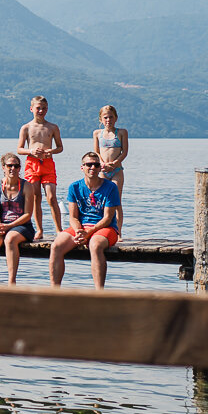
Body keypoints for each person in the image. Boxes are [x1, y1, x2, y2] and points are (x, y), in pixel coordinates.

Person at [49, 152, 121, 289]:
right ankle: (54, 291)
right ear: (82, 167)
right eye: (89, 164)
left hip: (105, 228)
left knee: (95, 245)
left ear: (100, 168)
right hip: (81, 227)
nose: (92, 167)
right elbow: (73, 217)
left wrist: (89, 233)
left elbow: (108, 218)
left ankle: (98, 292)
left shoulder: (110, 187)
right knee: (56, 246)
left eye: (96, 164)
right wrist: (78, 231)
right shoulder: (74, 187)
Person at [0, 152, 35, 284]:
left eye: (16, 166)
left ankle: (11, 282)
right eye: (9, 166)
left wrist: (9, 226)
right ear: (3, 167)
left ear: (20, 168)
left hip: (22, 225)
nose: (13, 169)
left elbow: (28, 214)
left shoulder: (27, 186)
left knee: (10, 238)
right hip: (2, 223)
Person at [17, 95, 63, 238]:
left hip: (47, 163)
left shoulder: (53, 127)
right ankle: (40, 230)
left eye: (43, 108)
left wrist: (52, 151)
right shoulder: (26, 127)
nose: (41, 111)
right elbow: (19, 149)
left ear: (47, 109)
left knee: (51, 197)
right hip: (32, 163)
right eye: (38, 108)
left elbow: (60, 147)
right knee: (36, 197)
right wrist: (31, 150)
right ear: (31, 109)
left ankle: (59, 230)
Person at [92, 104, 129, 233]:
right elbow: (96, 151)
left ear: (116, 118)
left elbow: (124, 151)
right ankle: (103, 229)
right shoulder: (97, 133)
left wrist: (114, 163)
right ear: (101, 119)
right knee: (101, 201)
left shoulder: (122, 132)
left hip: (116, 171)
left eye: (111, 117)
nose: (108, 120)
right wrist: (102, 163)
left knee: (117, 201)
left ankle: (118, 232)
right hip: (102, 171)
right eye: (106, 117)